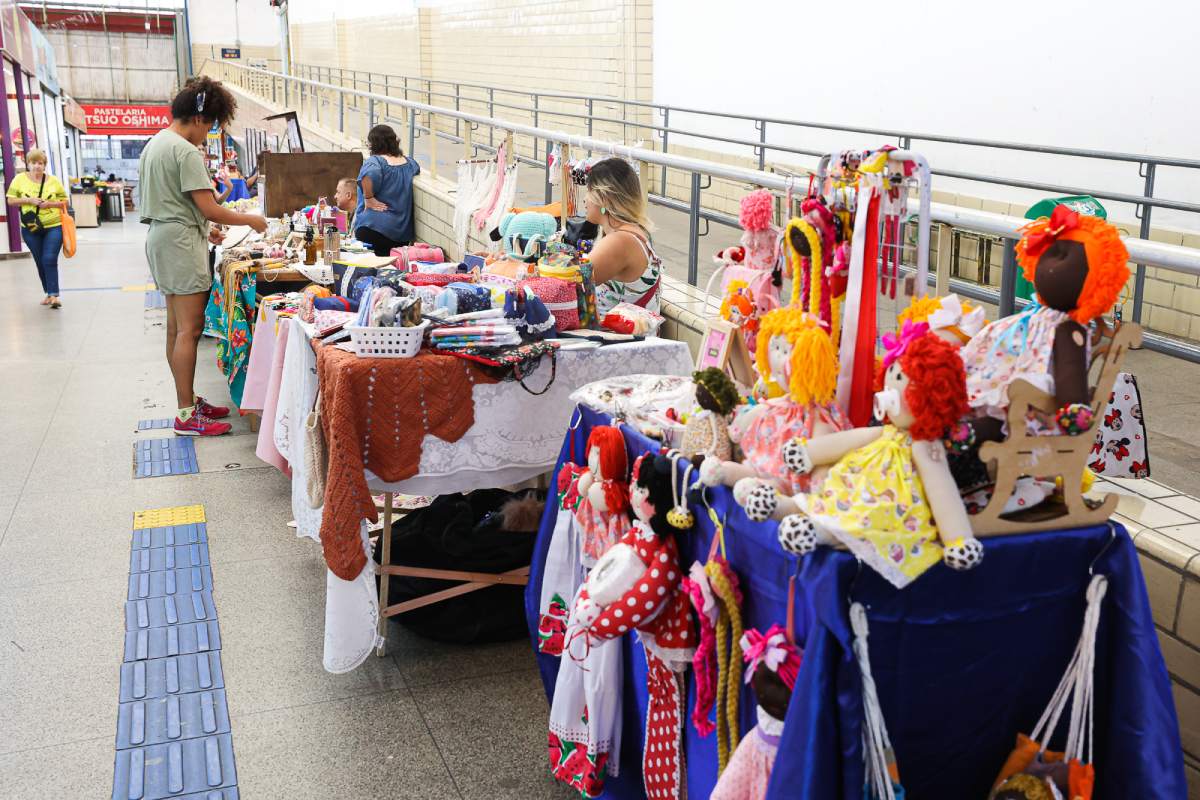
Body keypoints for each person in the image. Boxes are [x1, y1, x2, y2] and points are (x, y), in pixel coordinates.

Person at [138, 75, 267, 437]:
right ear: (198, 118)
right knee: (189, 331)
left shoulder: (156, 144)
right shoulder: (184, 150)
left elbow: (176, 202)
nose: (208, 133)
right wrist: (252, 220)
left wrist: (202, 226)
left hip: (164, 237)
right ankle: (185, 415)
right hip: (179, 243)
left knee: (176, 327)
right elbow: (212, 208)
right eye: (210, 125)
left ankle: (188, 400)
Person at [583, 158, 661, 315]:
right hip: (631, 335)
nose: (585, 199)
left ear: (604, 199)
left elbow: (570, 286)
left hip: (622, 338)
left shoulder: (619, 242)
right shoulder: (636, 233)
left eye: (589, 192)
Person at [6, 148, 69, 309]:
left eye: (40, 163)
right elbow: (11, 201)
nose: (37, 166)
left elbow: (65, 202)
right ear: (28, 164)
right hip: (30, 228)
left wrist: (50, 204)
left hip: (53, 226)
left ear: (44, 165)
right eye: (33, 163)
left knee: (49, 258)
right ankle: (48, 292)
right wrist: (30, 201)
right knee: (40, 261)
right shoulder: (19, 179)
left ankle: (54, 295)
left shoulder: (53, 181)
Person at [354, 124, 420, 256]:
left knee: (371, 271)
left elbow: (368, 174)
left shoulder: (375, 161)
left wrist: (369, 198)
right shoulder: (410, 163)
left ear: (374, 144)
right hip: (401, 234)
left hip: (373, 227)